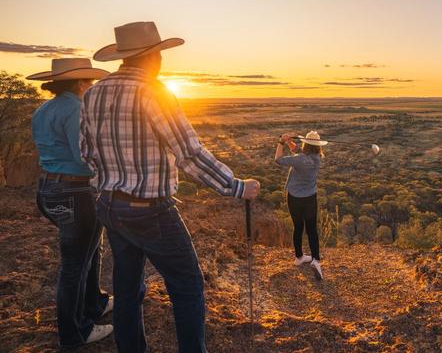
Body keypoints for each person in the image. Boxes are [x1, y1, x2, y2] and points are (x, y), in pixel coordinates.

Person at [81, 21, 260, 353]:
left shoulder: (94, 92)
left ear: (124, 56)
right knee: (188, 286)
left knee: (128, 285)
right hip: (150, 210)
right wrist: (236, 186)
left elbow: (87, 153)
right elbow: (189, 154)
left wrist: (112, 180)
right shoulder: (154, 92)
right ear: (153, 57)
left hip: (109, 204)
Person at [28, 58, 114, 348]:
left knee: (90, 249)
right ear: (80, 83)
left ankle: (95, 303)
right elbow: (84, 157)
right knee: (75, 264)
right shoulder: (77, 108)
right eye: (88, 82)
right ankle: (75, 333)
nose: (91, 86)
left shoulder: (43, 109)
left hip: (48, 190)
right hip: (75, 192)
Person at [275, 131, 326, 280]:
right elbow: (298, 151)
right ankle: (316, 260)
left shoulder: (300, 160)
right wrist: (290, 142)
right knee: (312, 230)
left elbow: (278, 159)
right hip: (310, 198)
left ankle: (299, 257)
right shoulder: (317, 158)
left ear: (306, 144)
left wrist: (281, 142)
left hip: (295, 198)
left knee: (298, 227)